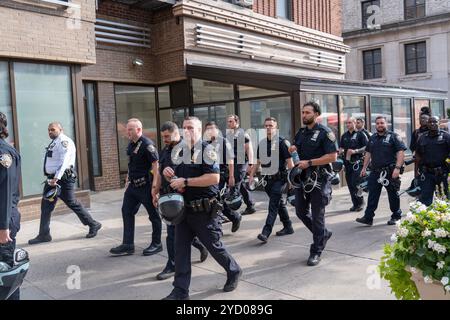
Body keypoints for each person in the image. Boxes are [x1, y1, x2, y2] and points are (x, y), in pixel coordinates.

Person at [162, 117, 241, 300]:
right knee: (180, 251)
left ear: (199, 130)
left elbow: (214, 178)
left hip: (204, 212)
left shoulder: (207, 150)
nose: (186, 131)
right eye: (184, 128)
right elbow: (177, 178)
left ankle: (234, 270)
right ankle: (180, 292)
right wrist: (169, 176)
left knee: (214, 246)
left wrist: (186, 181)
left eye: (190, 127)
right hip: (183, 211)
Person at [28, 122, 101, 244]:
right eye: (48, 130)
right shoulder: (55, 142)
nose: (50, 132)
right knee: (46, 206)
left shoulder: (64, 141)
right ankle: (44, 234)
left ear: (60, 129)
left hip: (62, 179)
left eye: (53, 129)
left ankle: (93, 224)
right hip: (52, 179)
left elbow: (65, 161)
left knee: (72, 202)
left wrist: (56, 178)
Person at [153, 121, 208, 280]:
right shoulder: (164, 151)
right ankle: (198, 246)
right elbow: (157, 173)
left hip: (182, 197)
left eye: (167, 136)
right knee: (177, 232)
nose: (164, 139)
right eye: (163, 137)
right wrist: (154, 190)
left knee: (173, 234)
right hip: (167, 195)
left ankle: (172, 265)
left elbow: (190, 175)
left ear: (176, 133)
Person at [291, 102, 337, 266]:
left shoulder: (325, 132)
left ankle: (316, 250)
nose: (304, 115)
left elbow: (332, 157)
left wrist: (310, 162)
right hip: (302, 179)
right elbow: (298, 154)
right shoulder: (301, 132)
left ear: (316, 114)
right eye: (303, 112)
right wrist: (293, 151)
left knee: (318, 216)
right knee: (300, 211)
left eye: (307, 112)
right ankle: (323, 234)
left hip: (319, 179)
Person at [109, 118, 162, 256]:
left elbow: (156, 166)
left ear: (139, 130)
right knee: (126, 211)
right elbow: (131, 165)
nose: (128, 132)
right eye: (127, 129)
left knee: (154, 215)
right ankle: (128, 244)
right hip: (133, 187)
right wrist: (127, 180)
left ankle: (157, 243)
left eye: (130, 129)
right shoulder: (131, 144)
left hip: (146, 186)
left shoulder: (147, 144)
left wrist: (155, 188)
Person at [249, 117, 294, 243]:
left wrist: (292, 182)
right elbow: (257, 162)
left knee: (273, 205)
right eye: (266, 126)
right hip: (267, 180)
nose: (268, 128)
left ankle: (266, 232)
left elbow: (290, 164)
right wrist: (252, 175)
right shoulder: (262, 143)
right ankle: (288, 226)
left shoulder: (282, 143)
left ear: (276, 127)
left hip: (280, 179)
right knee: (278, 203)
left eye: (271, 125)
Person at [356, 116, 406, 226]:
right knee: (372, 194)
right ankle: (368, 217)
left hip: (390, 171)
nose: (380, 125)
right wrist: (364, 168)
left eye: (382, 123)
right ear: (376, 125)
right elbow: (368, 153)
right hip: (375, 172)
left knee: (393, 195)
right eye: (378, 123)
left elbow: (401, 152)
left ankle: (396, 216)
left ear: (386, 124)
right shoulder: (373, 138)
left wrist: (397, 168)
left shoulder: (394, 136)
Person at [0, 112, 22, 300]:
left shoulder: (3, 153)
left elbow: (5, 192)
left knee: (5, 273)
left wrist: (3, 226)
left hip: (3, 221)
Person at [205, 121, 242, 232]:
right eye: (208, 129)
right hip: (209, 177)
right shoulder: (205, 143)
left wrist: (231, 177)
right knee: (216, 201)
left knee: (217, 202)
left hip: (221, 176)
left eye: (212, 128)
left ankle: (217, 227)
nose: (210, 131)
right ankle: (234, 217)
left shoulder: (224, 142)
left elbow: (230, 160)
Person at [415, 116, 450, 205]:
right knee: (425, 200)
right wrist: (416, 173)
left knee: (445, 199)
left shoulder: (446, 136)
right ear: (427, 124)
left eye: (435, 122)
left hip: (443, 173)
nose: (432, 124)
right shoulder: (422, 138)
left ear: (439, 123)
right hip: (427, 173)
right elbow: (417, 156)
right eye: (430, 122)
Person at [226, 115, 256, 215]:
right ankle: (250, 205)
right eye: (228, 121)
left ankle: (231, 213)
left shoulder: (243, 134)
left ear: (236, 122)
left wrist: (251, 163)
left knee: (234, 186)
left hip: (241, 163)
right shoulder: (229, 134)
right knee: (241, 185)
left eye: (231, 121)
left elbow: (249, 149)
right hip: (232, 163)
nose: (228, 123)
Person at [339, 117, 368, 211]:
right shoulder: (344, 135)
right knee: (350, 184)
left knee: (356, 183)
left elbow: (367, 147)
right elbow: (341, 147)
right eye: (346, 123)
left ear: (355, 123)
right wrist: (340, 151)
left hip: (357, 163)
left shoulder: (361, 134)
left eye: (350, 123)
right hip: (347, 163)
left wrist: (356, 151)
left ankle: (360, 202)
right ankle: (355, 204)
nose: (348, 125)